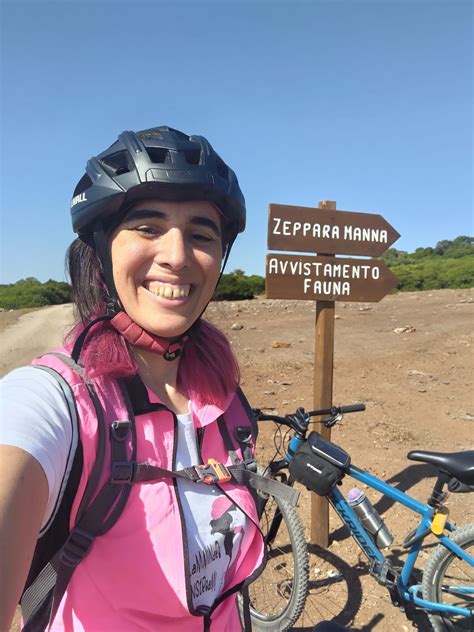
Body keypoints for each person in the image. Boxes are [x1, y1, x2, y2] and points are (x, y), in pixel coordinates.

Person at [0, 126, 266, 631]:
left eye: (201, 234)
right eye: (148, 227)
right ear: (101, 249)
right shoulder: (57, 402)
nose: (178, 255)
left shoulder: (223, 396)